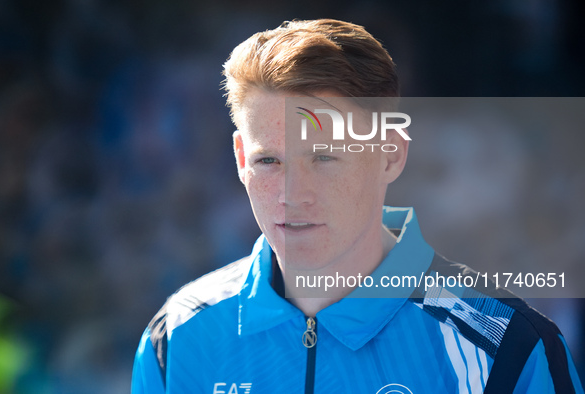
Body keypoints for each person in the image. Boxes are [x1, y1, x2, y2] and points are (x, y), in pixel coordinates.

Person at [131, 19, 583, 393]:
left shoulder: (508, 348)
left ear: (391, 153)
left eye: (324, 157)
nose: (292, 193)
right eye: (269, 160)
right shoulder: (176, 339)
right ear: (240, 160)